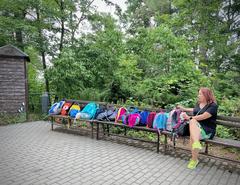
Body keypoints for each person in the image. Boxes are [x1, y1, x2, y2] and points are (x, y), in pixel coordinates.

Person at [177, 87, 218, 169]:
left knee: (192, 127)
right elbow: (195, 110)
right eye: (198, 93)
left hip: (207, 131)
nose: (198, 95)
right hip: (196, 129)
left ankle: (194, 159)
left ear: (206, 95)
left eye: (200, 94)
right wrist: (184, 108)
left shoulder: (213, 105)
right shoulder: (199, 103)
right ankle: (195, 149)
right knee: (193, 130)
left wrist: (188, 117)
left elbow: (203, 116)